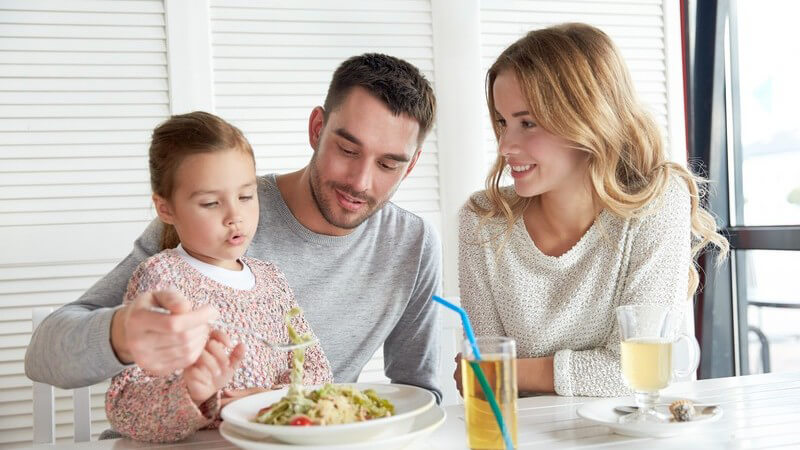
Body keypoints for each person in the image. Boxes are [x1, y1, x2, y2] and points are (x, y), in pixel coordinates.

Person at [25, 53, 443, 403]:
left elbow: (418, 395)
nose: (361, 181)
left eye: (389, 164)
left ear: (413, 164)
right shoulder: (218, 210)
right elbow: (44, 355)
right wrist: (122, 335)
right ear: (317, 129)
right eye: (347, 149)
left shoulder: (413, 244)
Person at [455, 23, 729, 397]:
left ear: (587, 117)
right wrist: (499, 375)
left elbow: (638, 371)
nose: (505, 145)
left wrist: (514, 373)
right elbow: (485, 379)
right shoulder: (484, 218)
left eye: (527, 123)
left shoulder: (657, 203)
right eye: (503, 122)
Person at [103, 111, 332, 442]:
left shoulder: (272, 279)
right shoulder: (161, 278)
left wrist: (270, 398)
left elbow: (319, 371)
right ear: (165, 209)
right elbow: (124, 406)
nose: (235, 216)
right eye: (211, 203)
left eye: (245, 196)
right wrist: (191, 393)